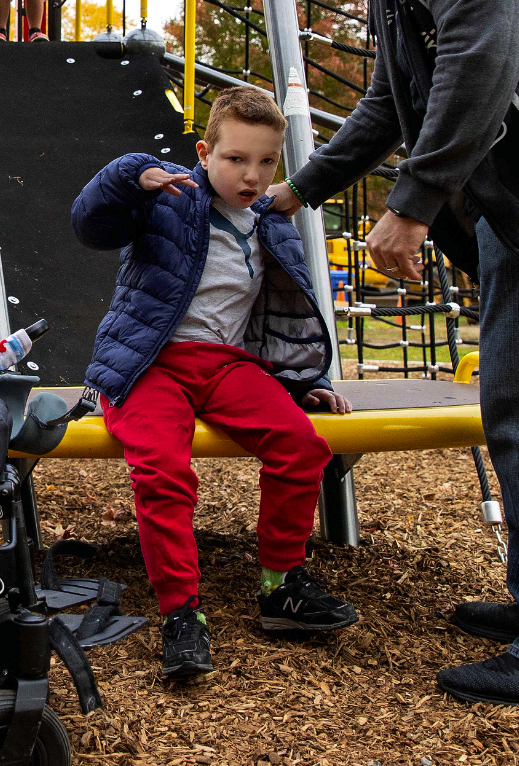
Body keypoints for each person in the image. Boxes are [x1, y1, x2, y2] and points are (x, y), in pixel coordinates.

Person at [259, 0, 519, 704]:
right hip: (504, 210)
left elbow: (484, 52)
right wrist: (297, 191)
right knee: (511, 405)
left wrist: (410, 209)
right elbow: (390, 98)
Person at [71, 87, 358, 678]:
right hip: (150, 364)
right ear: (203, 153)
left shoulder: (271, 224)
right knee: (163, 470)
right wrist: (129, 177)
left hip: (225, 366)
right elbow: (90, 225)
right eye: (235, 159)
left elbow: (288, 309)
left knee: (304, 447)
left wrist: (305, 380)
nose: (251, 175)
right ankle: (182, 613)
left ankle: (281, 587)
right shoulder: (170, 199)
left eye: (266, 162)